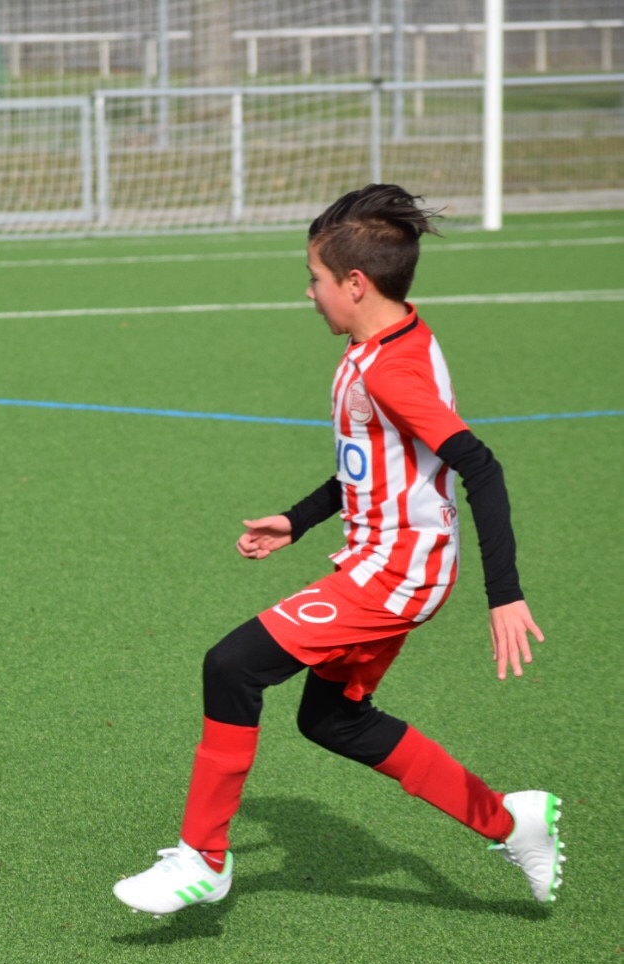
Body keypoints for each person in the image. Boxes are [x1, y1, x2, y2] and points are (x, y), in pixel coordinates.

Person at [113, 184, 564, 915]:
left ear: (356, 284)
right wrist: (298, 520)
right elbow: (374, 462)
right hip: (386, 562)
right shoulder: (388, 341)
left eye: (316, 278)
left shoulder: (391, 371)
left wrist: (505, 594)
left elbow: (479, 466)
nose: (309, 292)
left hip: (396, 574)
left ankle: (204, 859)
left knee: (231, 666)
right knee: (332, 719)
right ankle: (513, 823)